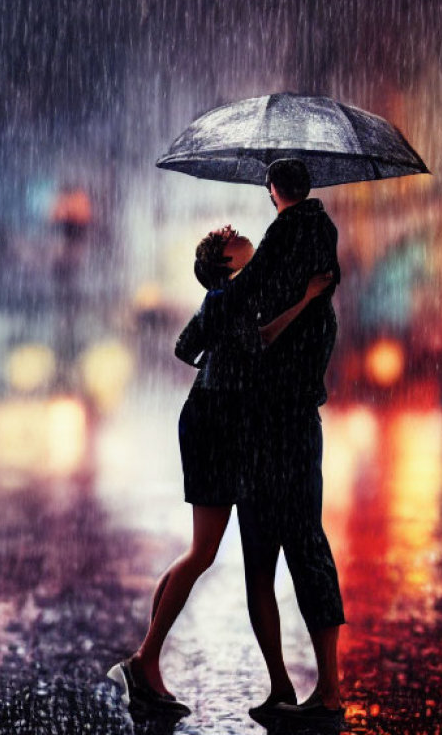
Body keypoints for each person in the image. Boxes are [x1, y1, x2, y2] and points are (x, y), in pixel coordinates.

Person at [108, 223, 333, 717]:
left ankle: (145, 665)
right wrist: (307, 299)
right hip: (215, 425)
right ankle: (144, 661)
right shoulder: (230, 294)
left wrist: (220, 355)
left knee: (200, 551)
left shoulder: (223, 296)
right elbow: (265, 341)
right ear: (228, 264)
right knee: (203, 551)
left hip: (215, 419)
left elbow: (186, 347)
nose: (235, 231)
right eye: (228, 239)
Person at [214, 158, 346, 726]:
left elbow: (242, 320)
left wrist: (228, 282)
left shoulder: (280, 240)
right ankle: (328, 688)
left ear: (272, 191)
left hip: (267, 425)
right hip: (301, 423)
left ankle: (284, 689)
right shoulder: (324, 238)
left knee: (261, 559)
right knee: (309, 548)